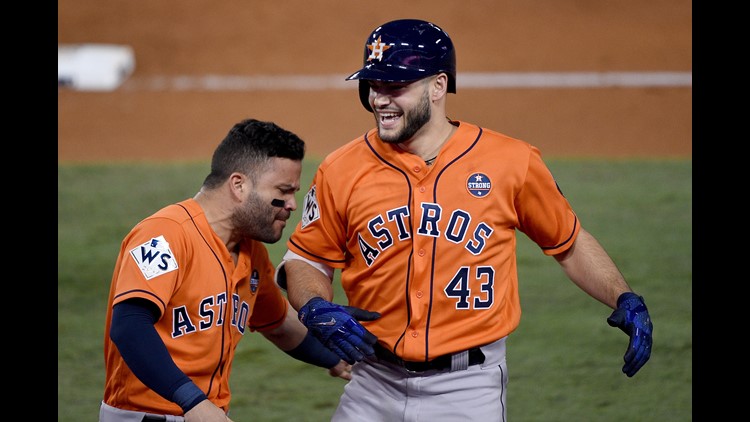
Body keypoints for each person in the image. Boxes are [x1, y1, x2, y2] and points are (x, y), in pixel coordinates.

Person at [275, 19, 654, 421]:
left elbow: (569, 242)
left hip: (468, 390)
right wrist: (314, 304)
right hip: (371, 383)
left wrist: (622, 296)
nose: (380, 100)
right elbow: (306, 259)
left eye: (395, 86)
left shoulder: (511, 162)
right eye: (374, 86)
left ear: (438, 86)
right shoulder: (340, 168)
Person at [100, 118, 355, 422]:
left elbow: (279, 324)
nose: (292, 204)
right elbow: (129, 325)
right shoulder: (165, 236)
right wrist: (193, 402)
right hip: (147, 415)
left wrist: (341, 357)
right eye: (283, 191)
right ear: (239, 185)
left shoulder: (250, 251)